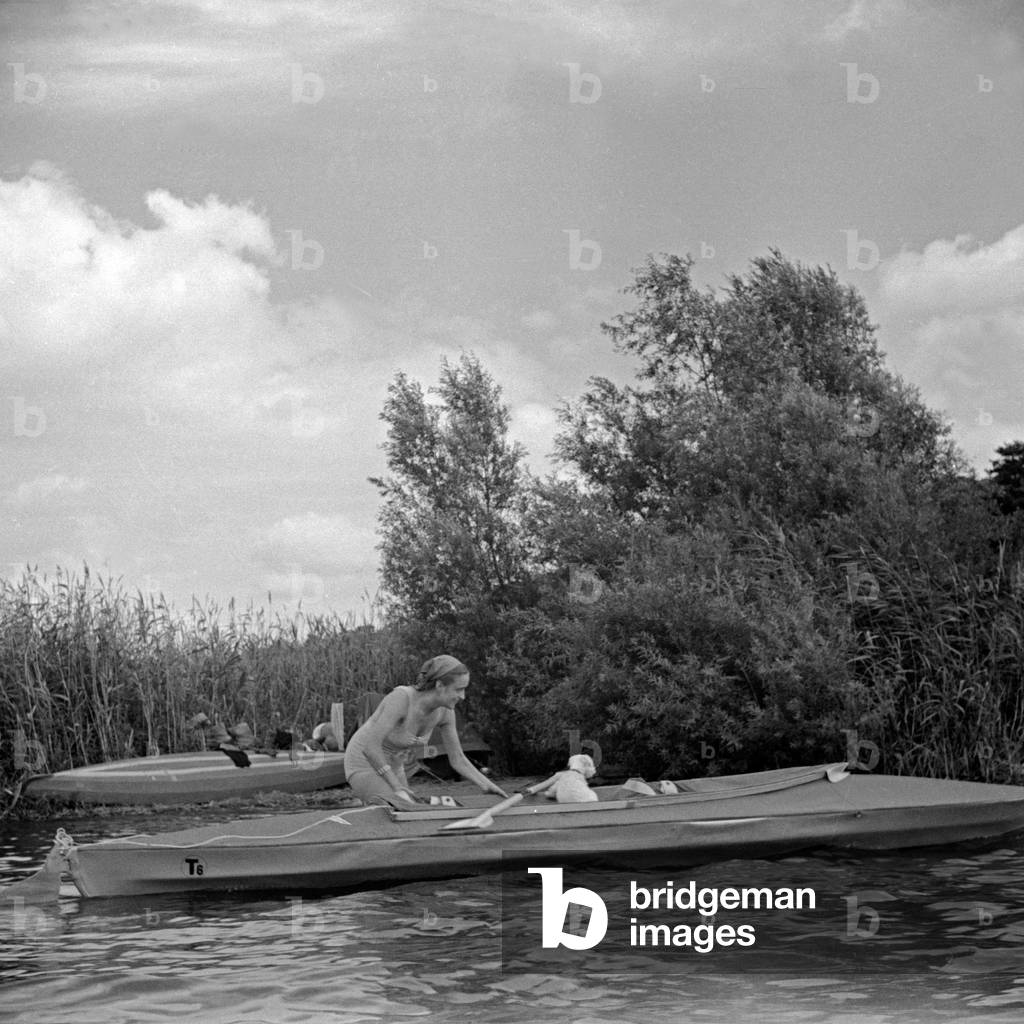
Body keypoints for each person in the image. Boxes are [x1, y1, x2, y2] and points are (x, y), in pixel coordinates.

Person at [344, 655, 509, 806]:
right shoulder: (401, 699)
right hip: (363, 759)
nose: (463, 696)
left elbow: (458, 758)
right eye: (458, 689)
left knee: (411, 811)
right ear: (440, 685)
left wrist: (488, 786)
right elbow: (370, 747)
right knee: (399, 807)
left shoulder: (446, 712)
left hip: (394, 764)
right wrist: (396, 787)